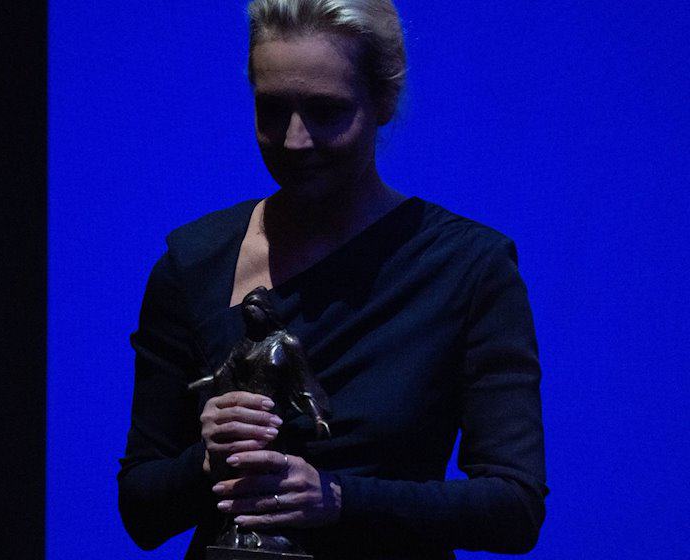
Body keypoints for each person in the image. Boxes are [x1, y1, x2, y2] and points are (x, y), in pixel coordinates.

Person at [117, 1, 548, 558]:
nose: (295, 140)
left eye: (326, 112)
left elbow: (514, 508)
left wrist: (338, 499)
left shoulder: (466, 268)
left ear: (383, 102)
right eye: (272, 110)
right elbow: (140, 511)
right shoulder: (194, 263)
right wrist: (206, 458)